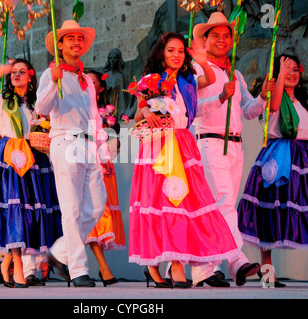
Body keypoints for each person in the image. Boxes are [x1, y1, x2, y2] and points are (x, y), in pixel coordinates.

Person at [129, 31, 239, 289]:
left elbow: (197, 103)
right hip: (158, 146)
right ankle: (173, 264)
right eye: (171, 50)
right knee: (164, 203)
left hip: (183, 144)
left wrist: (202, 60)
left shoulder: (188, 81)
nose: (176, 55)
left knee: (184, 204)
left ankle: (164, 264)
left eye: (180, 51)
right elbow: (137, 116)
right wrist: (146, 111)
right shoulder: (150, 80)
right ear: (161, 53)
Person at [237, 55, 308, 287]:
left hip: (304, 158)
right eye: (287, 70)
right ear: (278, 74)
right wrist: (278, 78)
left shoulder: (301, 99)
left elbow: (304, 128)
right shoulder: (273, 96)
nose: (293, 74)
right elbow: (274, 107)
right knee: (270, 210)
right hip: (279, 155)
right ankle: (267, 270)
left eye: (295, 69)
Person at [190, 12, 275, 287]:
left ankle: (205, 268)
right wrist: (220, 96)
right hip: (210, 141)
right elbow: (194, 110)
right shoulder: (198, 70)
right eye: (215, 35)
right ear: (205, 40)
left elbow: (248, 112)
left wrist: (262, 96)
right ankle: (236, 260)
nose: (222, 40)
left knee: (219, 205)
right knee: (225, 202)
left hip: (235, 145)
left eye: (227, 35)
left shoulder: (235, 73)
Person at [0, 58, 63, 288]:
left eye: (21, 72)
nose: (16, 75)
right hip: (8, 157)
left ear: (30, 77)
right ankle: (17, 266)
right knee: (13, 209)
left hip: (33, 156)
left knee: (29, 212)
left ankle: (8, 261)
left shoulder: (37, 104)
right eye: (12, 73)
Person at [35, 20, 112, 287]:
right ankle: (78, 269)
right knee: (72, 209)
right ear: (60, 44)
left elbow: (95, 119)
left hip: (89, 145)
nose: (76, 42)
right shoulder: (51, 74)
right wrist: (52, 81)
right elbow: (41, 108)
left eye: (80, 38)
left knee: (97, 205)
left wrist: (103, 152)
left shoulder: (86, 81)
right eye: (70, 39)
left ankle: (59, 253)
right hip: (65, 141)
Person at [85, 70, 126, 286]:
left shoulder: (107, 114)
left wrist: (113, 145)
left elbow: (117, 145)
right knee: (90, 214)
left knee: (102, 213)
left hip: (105, 166)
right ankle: (102, 266)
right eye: (85, 82)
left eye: (93, 83)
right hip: (83, 163)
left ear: (100, 88)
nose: (89, 86)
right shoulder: (77, 110)